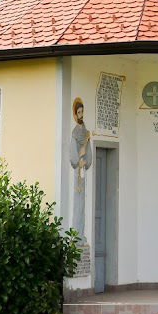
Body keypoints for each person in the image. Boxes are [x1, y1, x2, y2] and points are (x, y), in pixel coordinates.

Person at [69, 97, 92, 239]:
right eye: (79, 112)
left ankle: (81, 234)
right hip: (78, 169)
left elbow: (88, 150)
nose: (81, 115)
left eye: (82, 111)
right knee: (78, 201)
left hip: (83, 168)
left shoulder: (86, 131)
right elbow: (73, 152)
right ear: (75, 114)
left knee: (82, 202)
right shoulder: (74, 132)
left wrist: (86, 161)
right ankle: (76, 235)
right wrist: (78, 162)